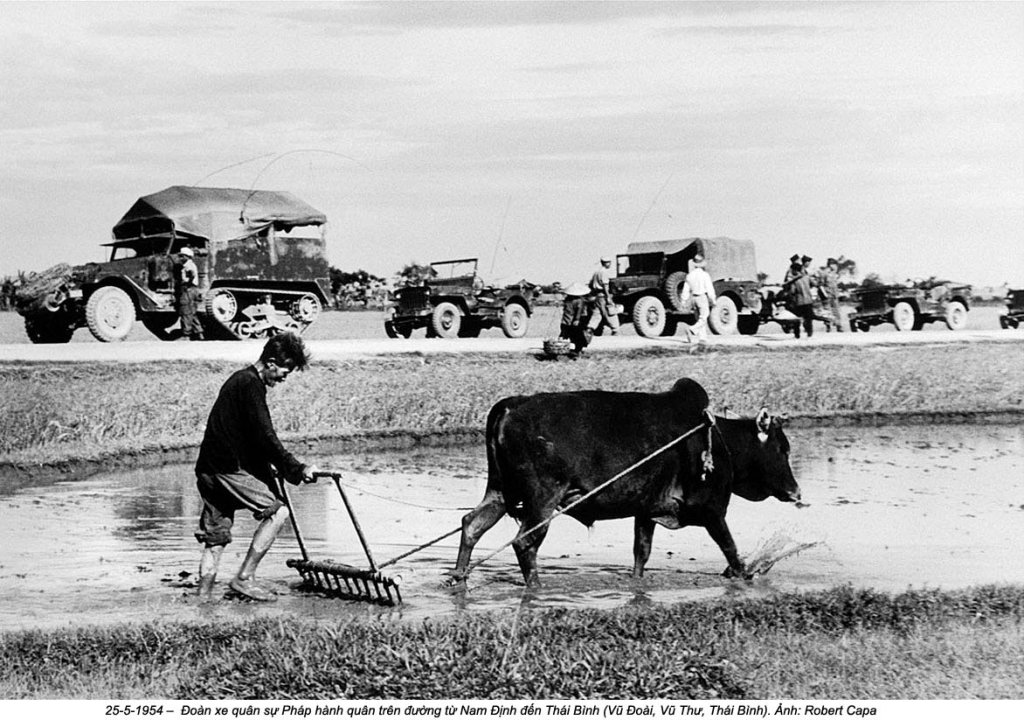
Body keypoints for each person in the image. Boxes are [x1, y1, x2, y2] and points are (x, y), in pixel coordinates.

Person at [193, 333, 320, 602]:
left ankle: (202, 602)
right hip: (226, 470)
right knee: (278, 513)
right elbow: (265, 436)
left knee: (215, 539)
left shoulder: (238, 381)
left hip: (208, 469)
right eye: (285, 371)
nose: (285, 377)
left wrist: (266, 469)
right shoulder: (250, 384)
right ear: (271, 363)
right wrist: (297, 469)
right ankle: (244, 577)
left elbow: (243, 436)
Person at [682, 253, 716, 343]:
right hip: (702, 297)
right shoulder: (705, 275)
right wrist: (713, 299)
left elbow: (686, 289)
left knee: (698, 317)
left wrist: (684, 300)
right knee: (704, 317)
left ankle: (702, 337)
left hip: (693, 297)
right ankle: (692, 329)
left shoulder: (690, 275)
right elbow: (709, 288)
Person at [783, 259, 815, 338]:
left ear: (794, 270)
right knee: (808, 319)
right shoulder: (807, 277)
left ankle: (797, 334)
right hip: (808, 300)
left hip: (799, 302)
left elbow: (793, 291)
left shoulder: (794, 281)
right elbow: (814, 284)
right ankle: (809, 333)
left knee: (796, 319)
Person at [588, 256, 620, 335]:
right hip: (603, 296)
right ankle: (615, 330)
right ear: (604, 263)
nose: (609, 264)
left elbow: (590, 285)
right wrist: (608, 297)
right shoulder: (604, 272)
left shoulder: (596, 272)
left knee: (596, 314)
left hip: (597, 296)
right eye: (608, 262)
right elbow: (605, 286)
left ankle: (590, 328)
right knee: (610, 313)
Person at [177, 247, 204, 341]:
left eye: (182, 256)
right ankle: (199, 333)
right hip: (193, 289)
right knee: (192, 313)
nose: (180, 258)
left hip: (188, 289)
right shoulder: (190, 264)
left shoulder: (188, 265)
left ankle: (186, 335)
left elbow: (191, 274)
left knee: (185, 311)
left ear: (187, 256)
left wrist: (188, 282)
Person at [559, 282, 592, 357]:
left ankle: (577, 350)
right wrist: (576, 319)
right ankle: (576, 350)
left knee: (574, 335)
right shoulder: (576, 300)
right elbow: (578, 310)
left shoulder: (572, 300)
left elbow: (578, 311)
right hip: (571, 320)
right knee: (574, 335)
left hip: (569, 320)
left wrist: (576, 319)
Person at [820, 258, 844, 332]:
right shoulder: (824, 273)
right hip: (827, 295)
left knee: (836, 311)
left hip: (834, 295)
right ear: (831, 265)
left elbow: (835, 285)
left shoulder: (834, 274)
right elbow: (820, 285)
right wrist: (824, 294)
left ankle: (838, 326)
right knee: (827, 312)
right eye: (835, 265)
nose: (836, 267)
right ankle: (828, 326)